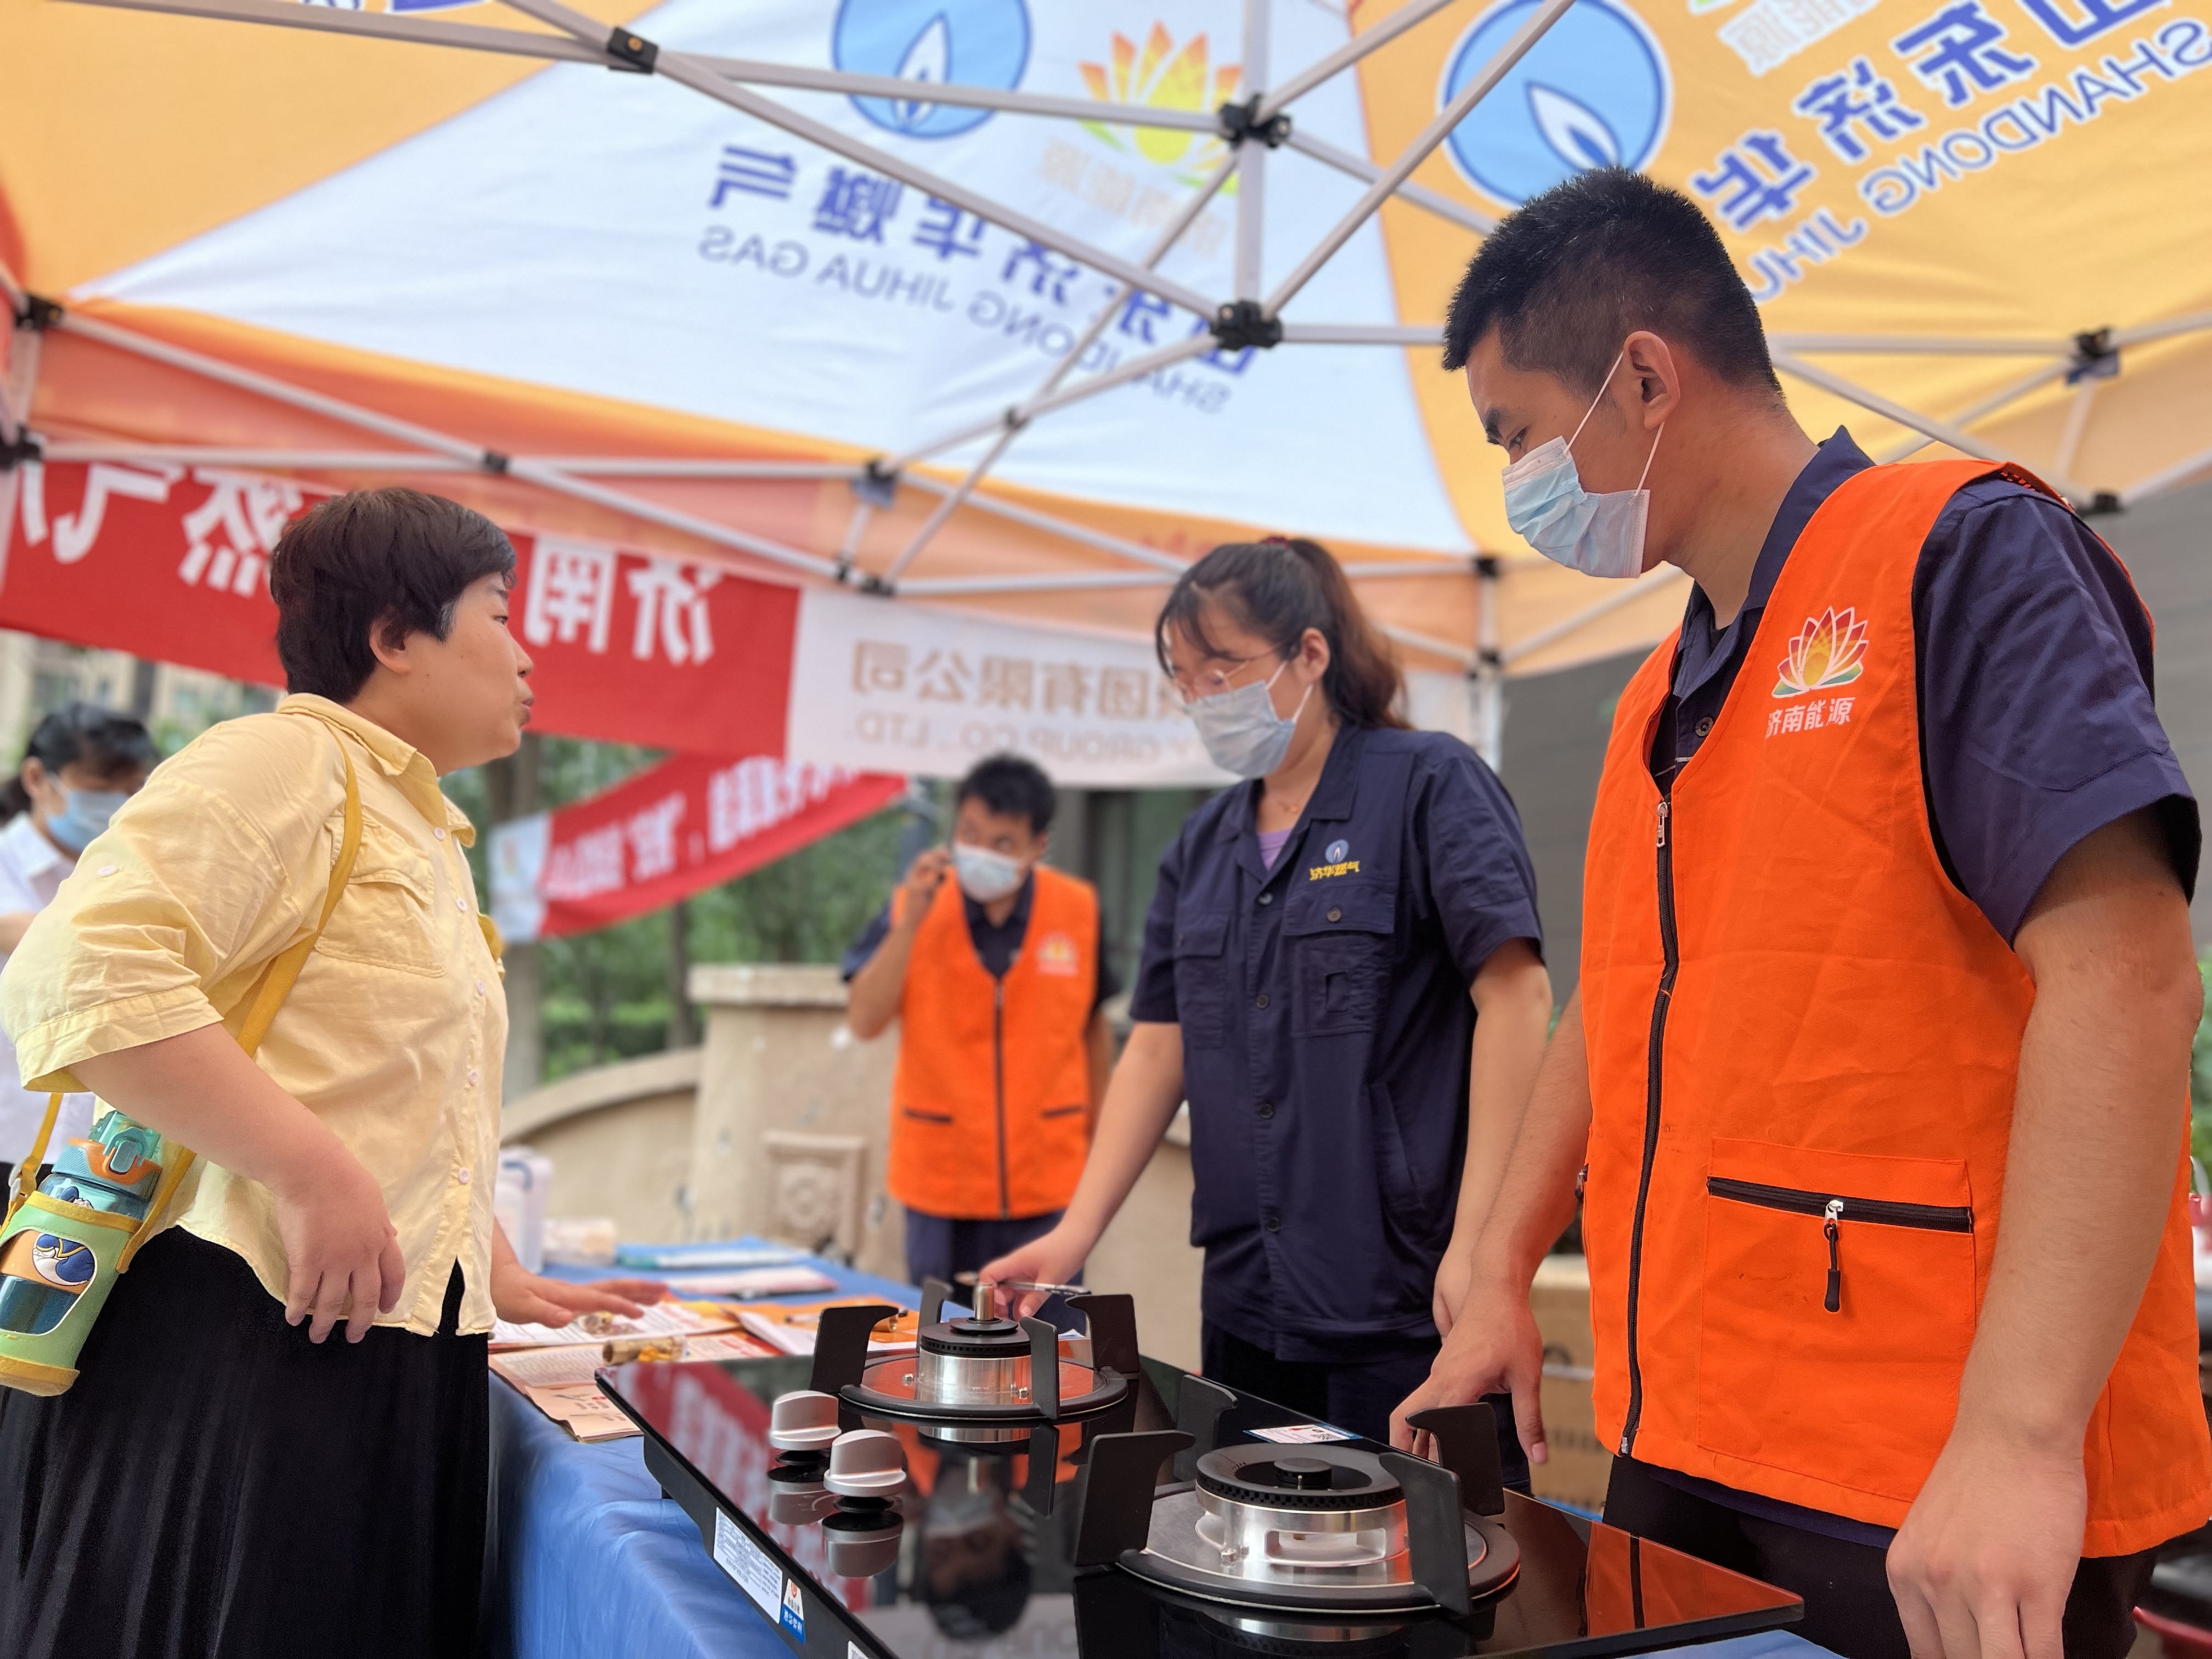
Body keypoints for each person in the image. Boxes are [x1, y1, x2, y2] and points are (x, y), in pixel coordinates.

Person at [1392, 168, 2210, 1659]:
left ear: (1646, 378)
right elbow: (1612, 1002)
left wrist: (2020, 1435)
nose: (1520, 481)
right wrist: (1501, 1263)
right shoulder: (1656, 698)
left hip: (1933, 1469)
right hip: (1685, 1424)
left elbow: (2128, 975)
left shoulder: (1956, 553)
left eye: (1517, 434)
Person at [0, 488, 663, 1658]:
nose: (526, 656)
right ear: (395, 635)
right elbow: (81, 974)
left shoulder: (422, 822)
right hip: (253, 1340)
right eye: (500, 613)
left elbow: (394, 1083)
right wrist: (312, 1171)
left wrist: (490, 1262)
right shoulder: (284, 760)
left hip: (377, 1335)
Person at [984, 539, 1554, 1460]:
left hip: (1409, 1297)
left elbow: (1517, 997)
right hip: (1249, 1299)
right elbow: (1156, 1046)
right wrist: (1074, 1232)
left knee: (1428, 1543)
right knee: (1246, 1535)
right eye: (1186, 680)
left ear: (1310, 655)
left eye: (1222, 670)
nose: (1204, 697)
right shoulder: (1200, 847)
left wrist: (1484, 1250)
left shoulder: (1429, 784)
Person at [844, 754, 1118, 1291]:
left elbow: (1094, 1029)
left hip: (1048, 1180)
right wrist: (911, 922)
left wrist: (1102, 1147)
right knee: (942, 1333)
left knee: (1048, 1334)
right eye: (970, 834)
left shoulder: (1078, 909)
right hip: (939, 1181)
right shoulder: (912, 905)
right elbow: (864, 1020)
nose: (982, 853)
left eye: (1003, 842)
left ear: (1037, 846)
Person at [0, 704, 159, 1193]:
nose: (119, 803)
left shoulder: (123, 868)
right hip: (10, 1128)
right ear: (37, 778)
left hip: (87, 1144)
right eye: (101, 788)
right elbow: (51, 945)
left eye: (133, 789)